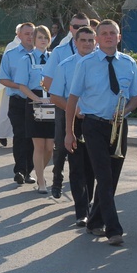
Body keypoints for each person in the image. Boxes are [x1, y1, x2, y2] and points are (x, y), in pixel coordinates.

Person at [65, 20, 137, 246]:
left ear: (119, 37)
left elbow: (136, 97)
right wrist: (69, 132)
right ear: (97, 39)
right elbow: (72, 99)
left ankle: (94, 221)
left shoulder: (129, 63)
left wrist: (124, 112)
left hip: (118, 126)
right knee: (104, 176)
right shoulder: (86, 63)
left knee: (112, 178)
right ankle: (114, 228)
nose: (109, 37)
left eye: (113, 33)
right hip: (93, 125)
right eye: (104, 34)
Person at [50, 26, 96, 225]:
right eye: (83, 40)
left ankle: (89, 201)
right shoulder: (66, 65)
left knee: (93, 168)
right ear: (75, 43)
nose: (87, 44)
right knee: (77, 167)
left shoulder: (100, 63)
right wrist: (74, 109)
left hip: (97, 121)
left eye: (90, 40)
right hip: (75, 121)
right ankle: (81, 212)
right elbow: (54, 96)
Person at [42, 12, 91, 199]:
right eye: (77, 27)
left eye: (85, 26)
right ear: (71, 29)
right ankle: (57, 179)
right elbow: (47, 82)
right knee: (62, 146)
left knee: (87, 149)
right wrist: (69, 106)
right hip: (64, 106)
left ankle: (84, 186)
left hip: (88, 109)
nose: (81, 30)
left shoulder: (95, 51)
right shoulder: (60, 52)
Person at [15, 25, 54, 194]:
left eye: (46, 37)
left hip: (52, 101)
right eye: (40, 37)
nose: (43, 40)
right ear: (34, 40)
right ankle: (41, 181)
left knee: (50, 147)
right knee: (39, 145)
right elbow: (21, 85)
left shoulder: (54, 58)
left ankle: (39, 173)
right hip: (34, 102)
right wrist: (36, 98)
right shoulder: (27, 59)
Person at [0, 22, 36, 185]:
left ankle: (30, 170)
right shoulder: (11, 55)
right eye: (26, 33)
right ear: (19, 36)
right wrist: (21, 85)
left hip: (37, 103)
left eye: (32, 34)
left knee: (34, 137)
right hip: (18, 101)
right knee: (20, 136)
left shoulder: (42, 55)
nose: (30, 37)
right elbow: (3, 78)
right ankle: (20, 170)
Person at [0, 24, 23, 146]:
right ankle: (2, 134)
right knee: (5, 113)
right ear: (18, 34)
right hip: (11, 85)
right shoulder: (11, 46)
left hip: (24, 86)